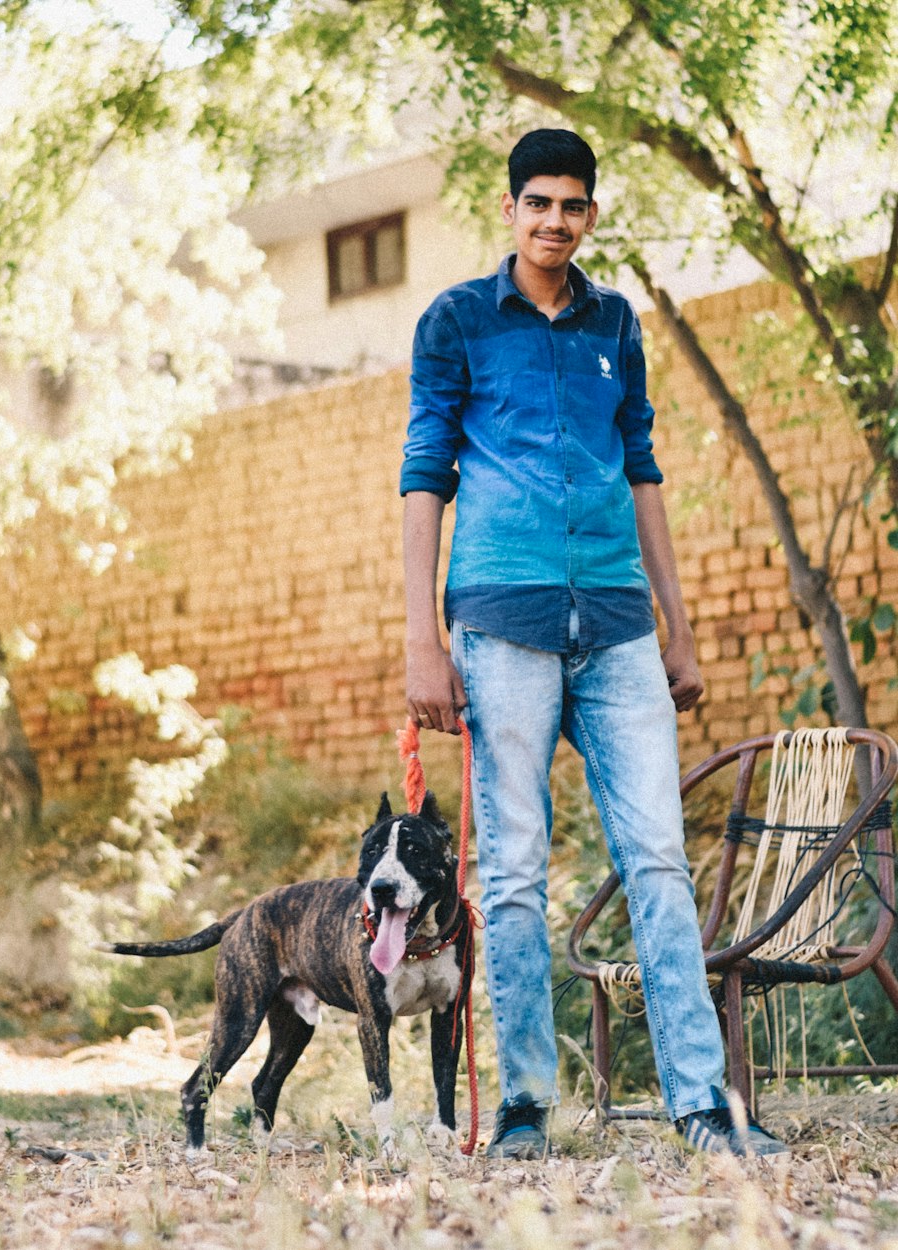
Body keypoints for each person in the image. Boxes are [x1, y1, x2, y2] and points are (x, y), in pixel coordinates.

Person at [400, 128, 787, 1160]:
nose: (554, 221)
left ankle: (704, 1105)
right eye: (538, 203)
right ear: (509, 209)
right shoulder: (454, 323)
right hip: (502, 626)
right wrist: (419, 638)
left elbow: (644, 471)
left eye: (572, 205)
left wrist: (680, 625)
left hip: (617, 627)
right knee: (516, 870)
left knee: (658, 857)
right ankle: (526, 1109)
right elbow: (423, 479)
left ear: (592, 214)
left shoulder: (616, 321)